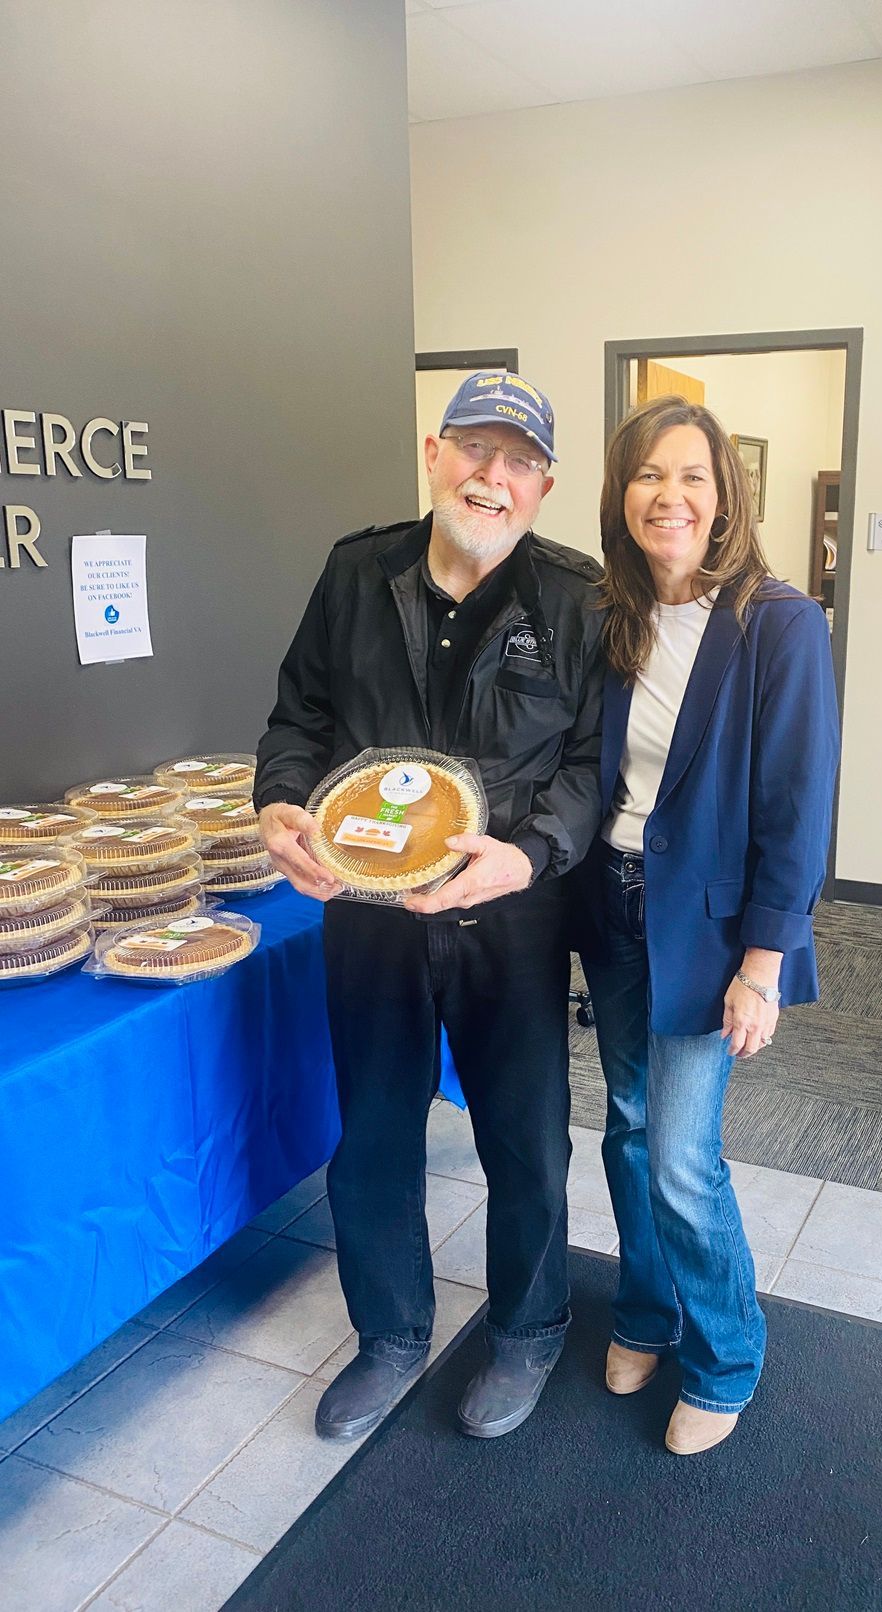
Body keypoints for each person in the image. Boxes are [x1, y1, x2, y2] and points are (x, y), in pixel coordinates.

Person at [254, 371, 604, 1442]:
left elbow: (590, 766)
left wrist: (533, 853)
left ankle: (531, 1327)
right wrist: (276, 800)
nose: (493, 478)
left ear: (543, 486)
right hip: (367, 912)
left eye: (519, 463)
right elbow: (297, 715)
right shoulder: (356, 572)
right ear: (434, 453)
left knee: (525, 1136)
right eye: (476, 451)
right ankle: (393, 1333)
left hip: (511, 914)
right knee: (373, 1135)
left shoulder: (578, 598)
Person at [577, 395, 839, 1456]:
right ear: (622, 494)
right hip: (616, 902)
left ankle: (727, 1352)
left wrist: (763, 966)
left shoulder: (779, 622)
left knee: (682, 1153)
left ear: (726, 492)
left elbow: (796, 806)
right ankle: (647, 1311)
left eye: (691, 475)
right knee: (627, 1130)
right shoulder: (613, 617)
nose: (669, 496)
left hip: (712, 931)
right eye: (648, 475)